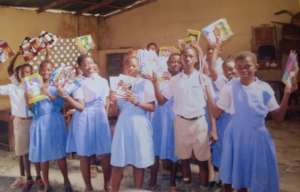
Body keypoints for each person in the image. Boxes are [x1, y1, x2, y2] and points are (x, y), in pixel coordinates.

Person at [206, 51, 298, 192]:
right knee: (237, 174)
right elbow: (217, 113)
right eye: (239, 66)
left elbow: (278, 118)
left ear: (256, 67)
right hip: (236, 136)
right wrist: (208, 92)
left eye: (248, 66)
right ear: (236, 68)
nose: (243, 70)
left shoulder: (264, 88)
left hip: (257, 138)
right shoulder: (230, 87)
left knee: (258, 174)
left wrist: (286, 93)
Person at [149, 45, 217, 189]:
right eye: (184, 55)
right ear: (181, 58)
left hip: (199, 123)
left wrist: (214, 129)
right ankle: (187, 185)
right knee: (184, 159)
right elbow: (161, 101)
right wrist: (155, 83)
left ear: (196, 60)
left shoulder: (203, 79)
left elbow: (211, 107)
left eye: (191, 56)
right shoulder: (174, 81)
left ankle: (204, 187)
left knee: (202, 161)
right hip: (180, 122)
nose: (187, 58)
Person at [62, 54, 112, 192]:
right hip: (84, 117)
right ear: (80, 68)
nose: (89, 66)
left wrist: (105, 114)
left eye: (91, 62)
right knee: (85, 154)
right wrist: (65, 95)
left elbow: (106, 100)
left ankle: (107, 184)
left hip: (100, 116)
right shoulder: (77, 82)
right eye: (85, 65)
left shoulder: (102, 80)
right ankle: (88, 187)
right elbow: (80, 105)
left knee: (105, 153)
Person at [110, 56, 155, 192]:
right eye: (128, 65)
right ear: (123, 68)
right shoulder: (118, 84)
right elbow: (113, 113)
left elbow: (152, 107)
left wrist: (137, 101)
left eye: (134, 66)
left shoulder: (146, 83)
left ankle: (138, 190)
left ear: (138, 68)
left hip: (139, 124)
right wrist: (112, 101)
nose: (130, 68)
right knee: (118, 162)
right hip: (123, 125)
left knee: (138, 162)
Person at [28, 60, 72, 192]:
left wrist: (46, 92)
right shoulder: (34, 88)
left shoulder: (57, 86)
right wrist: (28, 100)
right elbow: (33, 109)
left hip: (54, 122)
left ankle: (66, 181)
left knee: (60, 155)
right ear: (39, 71)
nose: (46, 72)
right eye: (43, 69)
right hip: (40, 123)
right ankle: (47, 184)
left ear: (52, 71)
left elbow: (60, 105)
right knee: (43, 156)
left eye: (49, 70)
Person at [0, 52, 42, 191]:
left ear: (31, 73)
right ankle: (27, 178)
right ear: (18, 74)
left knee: (35, 151)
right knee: (23, 152)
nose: (25, 75)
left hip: (34, 122)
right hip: (20, 122)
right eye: (22, 73)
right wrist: (16, 54)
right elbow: (8, 72)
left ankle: (39, 177)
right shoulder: (13, 87)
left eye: (28, 72)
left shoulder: (35, 87)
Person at [148, 53, 182, 191]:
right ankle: (152, 179)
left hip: (173, 117)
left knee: (173, 149)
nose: (174, 64)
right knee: (155, 149)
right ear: (167, 64)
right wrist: (155, 82)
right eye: (172, 61)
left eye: (178, 62)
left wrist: (157, 83)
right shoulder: (162, 78)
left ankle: (172, 183)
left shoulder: (181, 79)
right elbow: (156, 100)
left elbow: (162, 100)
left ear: (181, 64)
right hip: (159, 117)